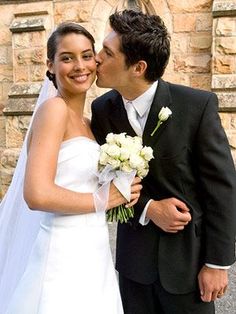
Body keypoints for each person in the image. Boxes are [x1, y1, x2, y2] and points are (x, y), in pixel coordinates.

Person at [91, 9, 236, 314]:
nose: (97, 59)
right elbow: (104, 178)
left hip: (189, 266)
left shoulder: (197, 106)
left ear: (138, 67)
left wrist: (217, 263)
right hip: (133, 267)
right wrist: (148, 208)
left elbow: (223, 189)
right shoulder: (102, 109)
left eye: (107, 52)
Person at [0, 22, 142, 314]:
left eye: (87, 55)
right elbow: (36, 194)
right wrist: (103, 199)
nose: (80, 66)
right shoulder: (54, 110)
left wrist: (121, 192)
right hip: (61, 253)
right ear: (50, 65)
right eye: (67, 58)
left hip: (92, 249)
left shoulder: (89, 125)